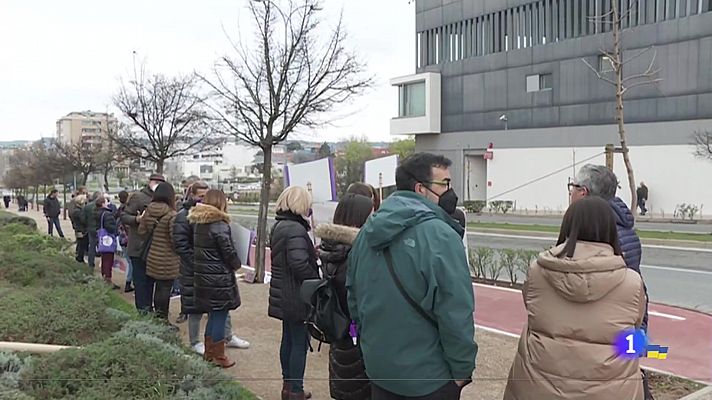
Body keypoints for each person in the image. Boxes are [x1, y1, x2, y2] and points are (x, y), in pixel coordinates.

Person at [347, 153, 477, 399]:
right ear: (420, 188)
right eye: (445, 184)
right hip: (429, 379)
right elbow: (456, 311)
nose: (450, 191)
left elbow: (354, 299)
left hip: (380, 370)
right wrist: (462, 370)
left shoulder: (366, 232)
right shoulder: (442, 236)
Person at [503, 196, 646, 399]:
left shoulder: (538, 272)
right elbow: (634, 330)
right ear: (610, 229)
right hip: (611, 391)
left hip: (538, 386)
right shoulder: (631, 282)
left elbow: (532, 310)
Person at [569, 164, 652, 399]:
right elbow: (639, 301)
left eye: (572, 187)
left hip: (599, 353)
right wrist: (632, 352)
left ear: (583, 192)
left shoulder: (593, 233)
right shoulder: (625, 228)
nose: (570, 193)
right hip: (620, 341)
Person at [173, 181, 250, 355]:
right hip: (195, 269)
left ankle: (226, 337)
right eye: (200, 196)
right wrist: (200, 263)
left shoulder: (205, 220)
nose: (202, 199)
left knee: (220, 308)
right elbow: (181, 245)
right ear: (191, 195)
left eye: (205, 195)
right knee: (197, 309)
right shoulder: (186, 216)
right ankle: (199, 343)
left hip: (208, 269)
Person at [314, 193, 374, 400]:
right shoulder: (357, 253)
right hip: (357, 331)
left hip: (338, 326)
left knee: (344, 382)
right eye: (371, 215)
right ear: (360, 219)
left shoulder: (330, 248)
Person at [268, 186, 319, 400]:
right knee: (299, 342)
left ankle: (287, 386)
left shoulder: (279, 226)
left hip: (282, 292)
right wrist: (315, 280)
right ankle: (296, 389)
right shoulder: (296, 230)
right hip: (296, 295)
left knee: (288, 339)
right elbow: (298, 263)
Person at [188, 189, 242, 368]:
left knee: (213, 314)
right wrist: (236, 264)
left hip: (204, 277)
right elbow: (228, 252)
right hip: (218, 278)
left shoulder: (199, 223)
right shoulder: (219, 224)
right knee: (219, 314)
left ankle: (209, 353)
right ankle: (218, 355)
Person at [121, 174, 165, 313]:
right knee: (140, 281)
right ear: (150, 182)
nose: (157, 184)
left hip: (155, 246)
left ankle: (149, 308)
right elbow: (124, 216)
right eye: (155, 181)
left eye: (160, 182)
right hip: (138, 246)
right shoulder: (138, 197)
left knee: (151, 280)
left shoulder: (163, 199)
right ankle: (142, 310)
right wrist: (137, 219)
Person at [138, 182, 180, 321]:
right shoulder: (171, 214)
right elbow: (175, 239)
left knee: (157, 288)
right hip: (168, 258)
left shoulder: (149, 210)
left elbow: (141, 231)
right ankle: (163, 320)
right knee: (164, 289)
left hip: (152, 256)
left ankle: (157, 317)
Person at [95, 196, 120, 290]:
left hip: (100, 237)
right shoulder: (107, 214)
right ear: (103, 203)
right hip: (107, 238)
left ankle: (104, 276)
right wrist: (115, 231)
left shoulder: (97, 213)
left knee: (104, 258)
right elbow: (110, 227)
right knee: (108, 260)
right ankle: (108, 279)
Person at [117, 191, 134, 293]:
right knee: (131, 263)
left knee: (129, 261)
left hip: (122, 238)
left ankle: (129, 281)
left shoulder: (119, 210)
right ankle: (128, 282)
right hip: (127, 239)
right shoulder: (127, 212)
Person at [84, 191, 102, 270]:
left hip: (91, 228)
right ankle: (103, 264)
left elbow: (84, 218)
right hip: (100, 229)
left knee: (92, 246)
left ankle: (91, 263)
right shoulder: (101, 206)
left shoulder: (87, 206)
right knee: (102, 247)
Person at [69, 194, 88, 263]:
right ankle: (80, 258)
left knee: (80, 244)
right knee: (81, 244)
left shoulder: (76, 210)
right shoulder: (77, 211)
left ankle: (79, 257)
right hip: (80, 229)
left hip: (79, 229)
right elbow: (83, 220)